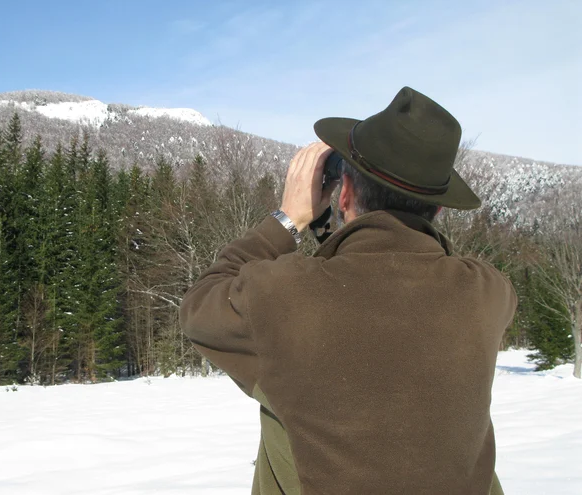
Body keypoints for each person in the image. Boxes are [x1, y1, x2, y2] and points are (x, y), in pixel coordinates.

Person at [179, 87, 516, 495]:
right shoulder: (489, 293)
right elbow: (416, 278)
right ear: (439, 209)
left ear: (344, 193)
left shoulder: (283, 296)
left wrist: (289, 219)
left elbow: (200, 306)